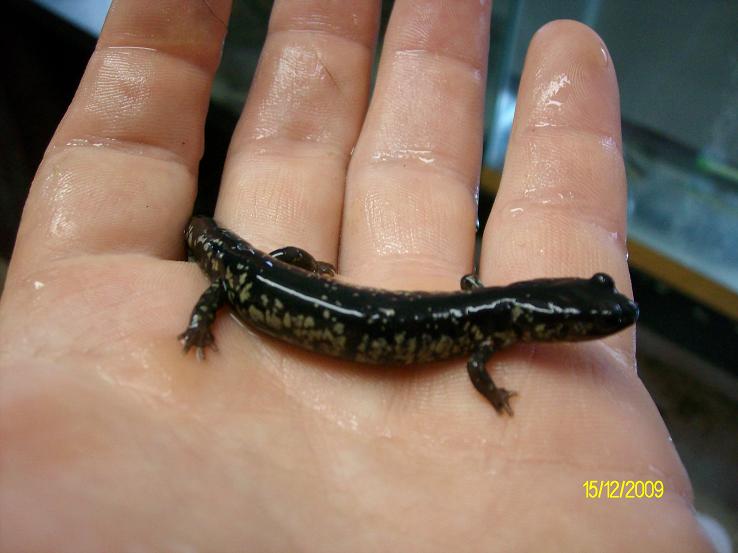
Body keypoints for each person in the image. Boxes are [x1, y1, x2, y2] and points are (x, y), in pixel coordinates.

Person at [0, 1, 714, 550]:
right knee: (250, 276)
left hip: (272, 272)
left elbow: (474, 320)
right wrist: (201, 318)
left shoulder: (485, 320)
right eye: (588, 317)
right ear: (536, 319)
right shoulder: (480, 335)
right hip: (252, 273)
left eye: (588, 316)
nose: (598, 321)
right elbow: (471, 356)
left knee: (271, 267)